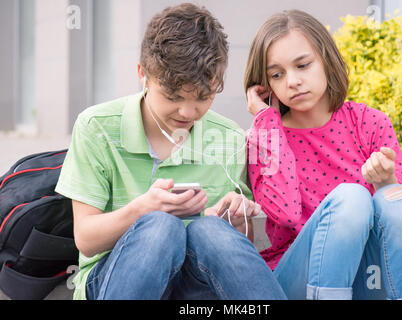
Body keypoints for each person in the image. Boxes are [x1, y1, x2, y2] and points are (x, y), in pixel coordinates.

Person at [56, 3, 286, 300]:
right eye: (173, 96)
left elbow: (243, 251)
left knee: (211, 232)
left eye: (204, 97)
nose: (189, 111)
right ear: (143, 74)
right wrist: (143, 209)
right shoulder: (96, 127)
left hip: (195, 288)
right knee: (161, 227)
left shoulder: (228, 136)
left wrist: (236, 220)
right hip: (116, 278)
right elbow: (86, 239)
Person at [244, 9, 402, 300]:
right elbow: (287, 214)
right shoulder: (264, 137)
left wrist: (387, 182)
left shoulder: (371, 123)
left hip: (368, 275)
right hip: (298, 277)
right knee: (352, 197)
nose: (292, 81)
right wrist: (266, 121)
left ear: (326, 60)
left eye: (302, 65)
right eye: (277, 74)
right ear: (266, 85)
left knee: (398, 200)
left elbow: (401, 225)